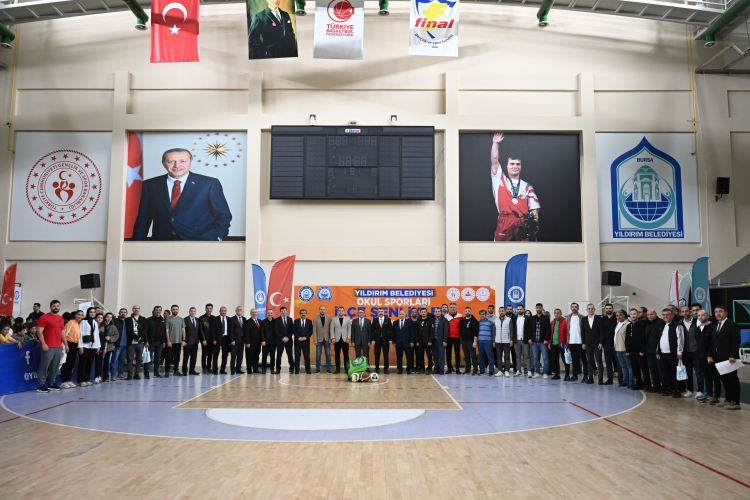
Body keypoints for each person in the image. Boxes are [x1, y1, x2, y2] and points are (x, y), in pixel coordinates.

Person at [131, 148, 232, 241]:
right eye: (171, 161)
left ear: (191, 162)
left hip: (200, 240)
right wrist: (136, 244)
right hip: (162, 242)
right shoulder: (150, 185)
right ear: (163, 164)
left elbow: (223, 215)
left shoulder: (209, 183)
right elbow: (143, 218)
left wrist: (218, 236)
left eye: (183, 161)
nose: (177, 165)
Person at [489, 132, 540, 241]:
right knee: (500, 250)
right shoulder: (499, 179)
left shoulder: (528, 187)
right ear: (506, 167)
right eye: (512, 164)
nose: (515, 166)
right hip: (504, 221)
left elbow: (534, 210)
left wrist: (535, 224)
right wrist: (495, 144)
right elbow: (494, 160)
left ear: (521, 167)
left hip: (523, 223)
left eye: (518, 164)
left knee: (525, 250)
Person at [708, 305, 741, 410]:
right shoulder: (716, 325)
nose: (718, 314)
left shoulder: (732, 325)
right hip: (718, 357)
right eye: (716, 312)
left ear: (726, 313)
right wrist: (710, 354)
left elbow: (736, 341)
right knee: (724, 379)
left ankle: (735, 402)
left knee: (732, 379)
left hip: (729, 358)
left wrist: (733, 355)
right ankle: (728, 399)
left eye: (720, 311)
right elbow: (714, 341)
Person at [36, 300, 67, 393]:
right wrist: (43, 343)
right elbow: (39, 332)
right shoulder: (44, 317)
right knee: (44, 366)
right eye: (54, 306)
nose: (56, 307)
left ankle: (51, 383)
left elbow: (62, 333)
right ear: (50, 307)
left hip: (58, 346)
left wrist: (66, 344)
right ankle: (41, 385)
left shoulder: (60, 319)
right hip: (47, 346)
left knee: (55, 366)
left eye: (58, 306)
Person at [656, 307, 685, 398]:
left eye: (667, 315)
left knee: (675, 373)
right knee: (666, 373)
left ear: (672, 315)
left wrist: (679, 352)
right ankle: (670, 388)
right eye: (663, 315)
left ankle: (677, 390)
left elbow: (680, 340)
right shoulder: (662, 326)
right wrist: (658, 351)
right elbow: (659, 339)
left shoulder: (677, 325)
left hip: (673, 353)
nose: (665, 316)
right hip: (663, 353)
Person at [695, 309, 718, 404]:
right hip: (700, 357)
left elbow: (713, 343)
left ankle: (717, 396)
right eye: (699, 315)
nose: (701, 317)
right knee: (706, 377)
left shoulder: (712, 327)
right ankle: (709, 395)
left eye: (703, 315)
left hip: (710, 357)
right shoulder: (697, 328)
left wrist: (710, 355)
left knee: (714, 377)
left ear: (707, 316)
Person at [679, 305, 701, 398]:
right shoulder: (679, 323)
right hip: (685, 352)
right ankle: (690, 390)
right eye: (683, 311)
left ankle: (700, 391)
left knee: (699, 372)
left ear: (690, 312)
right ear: (681, 313)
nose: (685, 313)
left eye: (686, 311)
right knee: (688, 373)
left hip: (696, 352)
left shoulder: (697, 322)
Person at [625, 308, 649, 391]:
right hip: (632, 351)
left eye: (634, 314)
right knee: (635, 368)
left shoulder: (642, 325)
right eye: (631, 314)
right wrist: (627, 350)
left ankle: (647, 384)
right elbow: (627, 339)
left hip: (640, 351)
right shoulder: (629, 326)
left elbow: (644, 339)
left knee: (644, 368)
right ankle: (639, 383)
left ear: (638, 315)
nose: (633, 316)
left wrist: (642, 350)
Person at [77, 307, 101, 387]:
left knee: (89, 363)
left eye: (94, 312)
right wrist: (80, 346)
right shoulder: (83, 321)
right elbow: (80, 334)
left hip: (93, 346)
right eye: (91, 312)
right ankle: (81, 380)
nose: (92, 313)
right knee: (83, 363)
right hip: (84, 345)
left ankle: (86, 379)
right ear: (88, 313)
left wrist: (98, 346)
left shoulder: (94, 322)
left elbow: (96, 335)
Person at [528, 303, 551, 379]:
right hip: (534, 342)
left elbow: (548, 330)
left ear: (542, 309)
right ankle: (537, 372)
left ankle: (545, 373)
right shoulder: (532, 318)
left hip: (543, 342)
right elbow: (529, 329)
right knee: (536, 358)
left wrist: (546, 339)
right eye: (537, 308)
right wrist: (530, 338)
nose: (538, 309)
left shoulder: (546, 318)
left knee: (545, 358)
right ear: (535, 309)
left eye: (540, 308)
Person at [644, 309, 664, 393]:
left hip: (658, 352)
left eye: (651, 314)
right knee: (653, 370)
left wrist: (658, 351)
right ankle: (656, 386)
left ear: (656, 314)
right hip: (649, 352)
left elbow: (661, 338)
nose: (649, 316)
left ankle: (664, 387)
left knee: (661, 370)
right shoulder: (647, 323)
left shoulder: (661, 322)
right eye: (648, 315)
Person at [125, 305, 148, 380]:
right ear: (132, 309)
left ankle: (137, 374)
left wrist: (139, 337)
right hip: (131, 342)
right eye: (134, 308)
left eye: (137, 308)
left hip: (140, 342)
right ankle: (129, 374)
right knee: (130, 358)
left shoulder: (143, 319)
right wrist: (135, 337)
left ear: (139, 309)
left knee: (139, 359)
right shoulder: (128, 319)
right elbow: (128, 330)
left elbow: (145, 329)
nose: (136, 310)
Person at [582, 303, 602, 385]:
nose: (590, 310)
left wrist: (601, 342)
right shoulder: (584, 319)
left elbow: (601, 332)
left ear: (594, 310)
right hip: (588, 343)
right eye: (589, 309)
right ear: (587, 310)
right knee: (589, 360)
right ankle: (590, 378)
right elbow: (583, 332)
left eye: (592, 308)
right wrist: (583, 343)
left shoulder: (599, 319)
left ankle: (600, 379)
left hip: (597, 343)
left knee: (599, 360)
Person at [566, 303, 585, 382]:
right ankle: (574, 375)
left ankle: (585, 376)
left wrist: (584, 342)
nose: (574, 308)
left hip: (580, 342)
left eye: (575, 307)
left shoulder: (582, 318)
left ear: (578, 308)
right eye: (572, 307)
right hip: (572, 342)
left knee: (583, 359)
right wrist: (567, 341)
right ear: (571, 308)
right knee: (574, 360)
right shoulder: (569, 318)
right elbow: (568, 330)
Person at [164, 305, 186, 377]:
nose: (175, 310)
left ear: (178, 310)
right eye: (174, 309)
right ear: (171, 310)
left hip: (178, 342)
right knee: (168, 357)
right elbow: (167, 331)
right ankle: (167, 371)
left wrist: (184, 340)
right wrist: (168, 341)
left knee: (177, 357)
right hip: (170, 342)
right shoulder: (168, 319)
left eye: (176, 309)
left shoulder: (181, 319)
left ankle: (176, 370)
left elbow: (183, 330)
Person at [613, 310, 633, 388]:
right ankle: (626, 381)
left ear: (624, 315)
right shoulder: (618, 324)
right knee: (623, 366)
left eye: (620, 315)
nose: (618, 317)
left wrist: (628, 349)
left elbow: (629, 339)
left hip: (625, 349)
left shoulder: (628, 324)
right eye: (617, 315)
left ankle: (631, 382)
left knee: (629, 366)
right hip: (618, 348)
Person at [329, 306, 351, 374]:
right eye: (339, 310)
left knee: (346, 355)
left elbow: (349, 329)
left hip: (345, 339)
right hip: (337, 339)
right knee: (337, 355)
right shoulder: (334, 319)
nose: (341, 312)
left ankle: (346, 369)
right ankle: (337, 369)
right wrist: (332, 337)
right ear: (338, 311)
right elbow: (332, 329)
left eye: (342, 310)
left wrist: (348, 338)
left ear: (344, 312)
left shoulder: (347, 319)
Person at [600, 303, 617, 385]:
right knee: (608, 362)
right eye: (607, 308)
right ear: (605, 309)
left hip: (616, 344)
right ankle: (610, 379)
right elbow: (601, 332)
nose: (608, 310)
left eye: (610, 308)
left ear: (612, 309)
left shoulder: (616, 318)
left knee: (617, 362)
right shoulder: (603, 319)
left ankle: (621, 379)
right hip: (606, 344)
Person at [146, 306, 166, 379]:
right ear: (154, 311)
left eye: (159, 310)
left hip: (160, 343)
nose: (158, 311)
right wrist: (146, 341)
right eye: (157, 310)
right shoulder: (149, 320)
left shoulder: (163, 320)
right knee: (148, 358)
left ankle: (156, 373)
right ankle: (146, 374)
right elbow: (146, 331)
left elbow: (164, 331)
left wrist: (164, 341)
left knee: (157, 358)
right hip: (151, 342)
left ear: (161, 311)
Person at [392, 309, 414, 374]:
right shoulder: (395, 322)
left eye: (403, 314)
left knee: (408, 357)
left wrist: (412, 341)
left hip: (407, 342)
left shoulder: (409, 322)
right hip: (398, 343)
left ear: (405, 315)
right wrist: (394, 342)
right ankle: (400, 369)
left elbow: (412, 332)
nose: (401, 315)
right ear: (399, 315)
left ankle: (408, 369)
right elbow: (393, 333)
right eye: (400, 314)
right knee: (399, 357)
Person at [512, 305, 531, 377]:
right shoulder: (514, 319)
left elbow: (530, 329)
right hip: (516, 340)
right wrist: (512, 339)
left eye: (520, 309)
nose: (519, 310)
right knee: (518, 356)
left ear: (523, 309)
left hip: (525, 340)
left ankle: (529, 371)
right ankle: (518, 370)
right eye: (518, 309)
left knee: (527, 356)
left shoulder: (528, 318)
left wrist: (529, 338)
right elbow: (512, 330)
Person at [493, 307, 513, 377]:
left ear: (505, 311)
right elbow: (494, 331)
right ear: (499, 312)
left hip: (506, 341)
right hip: (498, 341)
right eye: (500, 311)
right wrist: (494, 341)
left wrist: (511, 340)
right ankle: (500, 370)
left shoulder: (509, 320)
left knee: (507, 357)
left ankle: (507, 370)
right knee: (499, 357)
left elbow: (511, 330)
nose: (501, 312)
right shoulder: (496, 320)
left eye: (503, 311)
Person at [183, 307, 203, 375]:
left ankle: (192, 370)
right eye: (191, 311)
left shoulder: (197, 320)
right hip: (187, 342)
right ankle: (184, 371)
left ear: (195, 312)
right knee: (186, 357)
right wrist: (184, 340)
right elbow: (183, 331)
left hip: (195, 342)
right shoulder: (185, 320)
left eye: (194, 311)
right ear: (189, 312)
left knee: (194, 357)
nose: (192, 312)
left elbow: (199, 331)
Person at [312, 306, 332, 374]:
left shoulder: (329, 317)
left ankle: (328, 369)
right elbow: (314, 329)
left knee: (328, 354)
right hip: (318, 339)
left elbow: (330, 328)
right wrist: (315, 339)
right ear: (319, 310)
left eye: (323, 309)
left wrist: (330, 338)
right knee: (318, 355)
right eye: (321, 309)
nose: (322, 311)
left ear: (325, 310)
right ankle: (317, 369)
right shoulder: (315, 318)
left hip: (327, 339)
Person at [100, 312, 119, 383]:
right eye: (108, 317)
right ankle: (98, 376)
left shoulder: (113, 326)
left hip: (109, 346)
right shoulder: (101, 325)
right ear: (105, 317)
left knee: (106, 362)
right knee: (99, 362)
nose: (109, 318)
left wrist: (110, 338)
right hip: (100, 346)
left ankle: (105, 377)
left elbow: (116, 335)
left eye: (110, 317)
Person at [275, 306, 295, 373]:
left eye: (284, 311)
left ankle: (291, 368)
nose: (283, 312)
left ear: (286, 311)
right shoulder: (277, 320)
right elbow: (276, 330)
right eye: (282, 311)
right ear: (280, 312)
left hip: (288, 341)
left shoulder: (290, 319)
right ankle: (278, 369)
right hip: (280, 341)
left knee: (290, 355)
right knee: (279, 355)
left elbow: (292, 330)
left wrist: (288, 337)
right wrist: (282, 338)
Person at [549, 308, 568, 381]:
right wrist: (549, 342)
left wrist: (567, 343)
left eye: (558, 313)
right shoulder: (552, 322)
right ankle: (557, 374)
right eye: (555, 313)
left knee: (564, 360)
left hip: (562, 344)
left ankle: (567, 375)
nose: (556, 314)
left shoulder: (565, 321)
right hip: (554, 344)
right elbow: (550, 333)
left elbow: (567, 333)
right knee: (555, 360)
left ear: (561, 314)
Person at [444, 303, 462, 374]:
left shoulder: (460, 316)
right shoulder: (446, 316)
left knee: (457, 353)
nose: (453, 308)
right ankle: (449, 369)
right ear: (449, 308)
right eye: (451, 307)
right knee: (448, 354)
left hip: (457, 338)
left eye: (454, 307)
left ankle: (457, 369)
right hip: (448, 338)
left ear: (456, 308)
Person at [243, 308, 263, 374]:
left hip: (258, 343)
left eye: (255, 312)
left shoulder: (260, 321)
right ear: (250, 314)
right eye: (253, 312)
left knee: (256, 356)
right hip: (250, 343)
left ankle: (255, 369)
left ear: (257, 313)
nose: (254, 313)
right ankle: (249, 369)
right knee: (249, 356)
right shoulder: (248, 322)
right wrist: (247, 342)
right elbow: (246, 333)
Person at [460, 307, 479, 375]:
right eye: (466, 311)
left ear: (471, 312)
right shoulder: (462, 320)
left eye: (468, 311)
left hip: (471, 341)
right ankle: (467, 370)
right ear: (465, 312)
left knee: (473, 356)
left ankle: (475, 370)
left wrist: (475, 342)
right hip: (464, 340)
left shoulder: (474, 320)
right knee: (466, 356)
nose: (467, 312)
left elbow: (476, 332)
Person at [111, 308, 129, 381]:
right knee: (114, 360)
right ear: (119, 313)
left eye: (124, 312)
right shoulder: (115, 321)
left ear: (127, 314)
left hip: (125, 345)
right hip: (117, 344)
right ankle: (113, 375)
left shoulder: (128, 321)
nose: (123, 313)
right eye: (121, 312)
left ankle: (120, 374)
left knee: (122, 361)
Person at [415, 307, 434, 374]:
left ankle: (429, 368)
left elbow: (432, 332)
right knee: (420, 355)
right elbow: (416, 332)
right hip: (420, 342)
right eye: (422, 312)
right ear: (420, 313)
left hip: (427, 342)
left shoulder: (430, 321)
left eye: (424, 312)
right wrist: (417, 341)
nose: (423, 313)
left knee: (429, 355)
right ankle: (422, 369)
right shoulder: (418, 321)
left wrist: (430, 341)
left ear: (426, 313)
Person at [199, 303, 217, 374]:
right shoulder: (201, 318)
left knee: (210, 354)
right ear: (205, 309)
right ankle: (204, 368)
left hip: (212, 340)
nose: (209, 310)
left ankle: (209, 367)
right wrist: (203, 339)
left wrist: (214, 339)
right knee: (204, 354)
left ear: (212, 309)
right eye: (208, 308)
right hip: (205, 340)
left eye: (210, 308)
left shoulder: (214, 318)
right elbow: (201, 330)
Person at [476, 310, 495, 376]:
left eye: (483, 314)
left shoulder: (490, 322)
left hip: (488, 341)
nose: (482, 315)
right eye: (481, 314)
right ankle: (482, 370)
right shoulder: (478, 323)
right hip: (480, 342)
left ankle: (491, 370)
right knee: (481, 357)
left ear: (486, 315)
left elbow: (493, 332)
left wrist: (493, 341)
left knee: (490, 356)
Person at [293, 309, 312, 374]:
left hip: (306, 342)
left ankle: (308, 370)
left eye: (304, 313)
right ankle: (297, 370)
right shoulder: (296, 321)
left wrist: (305, 337)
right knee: (297, 356)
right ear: (300, 314)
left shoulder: (309, 321)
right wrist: (298, 337)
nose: (303, 314)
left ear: (306, 314)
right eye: (302, 313)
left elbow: (310, 331)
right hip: (297, 341)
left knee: (307, 356)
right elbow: (294, 330)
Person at [228, 306, 245, 375]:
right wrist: (232, 340)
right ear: (235, 310)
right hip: (234, 341)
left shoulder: (244, 319)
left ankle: (238, 369)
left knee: (240, 355)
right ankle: (232, 369)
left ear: (242, 311)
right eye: (238, 309)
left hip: (242, 341)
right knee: (233, 356)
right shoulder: (232, 319)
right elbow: (230, 331)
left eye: (240, 309)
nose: (239, 311)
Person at [432, 308, 449, 375]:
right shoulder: (432, 320)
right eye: (436, 311)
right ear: (434, 313)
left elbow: (446, 331)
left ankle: (441, 370)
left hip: (441, 341)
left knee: (441, 356)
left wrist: (445, 341)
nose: (437, 313)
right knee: (435, 356)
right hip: (434, 341)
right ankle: (437, 369)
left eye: (438, 311)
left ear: (440, 312)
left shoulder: (444, 320)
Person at [216, 306, 232, 374]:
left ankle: (222, 370)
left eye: (224, 311)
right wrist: (214, 339)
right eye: (222, 311)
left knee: (225, 355)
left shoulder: (229, 319)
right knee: (216, 354)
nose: (223, 312)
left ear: (226, 311)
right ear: (219, 311)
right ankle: (215, 369)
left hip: (226, 339)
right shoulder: (215, 319)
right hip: (217, 339)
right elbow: (213, 330)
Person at [261, 308, 276, 374]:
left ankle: (272, 369)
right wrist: (263, 340)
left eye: (271, 313)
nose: (270, 314)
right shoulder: (263, 322)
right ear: (267, 314)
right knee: (264, 356)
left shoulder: (275, 322)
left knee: (272, 356)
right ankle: (264, 369)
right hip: (265, 342)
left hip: (273, 342)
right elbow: (262, 332)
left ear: (273, 314)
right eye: (268, 313)